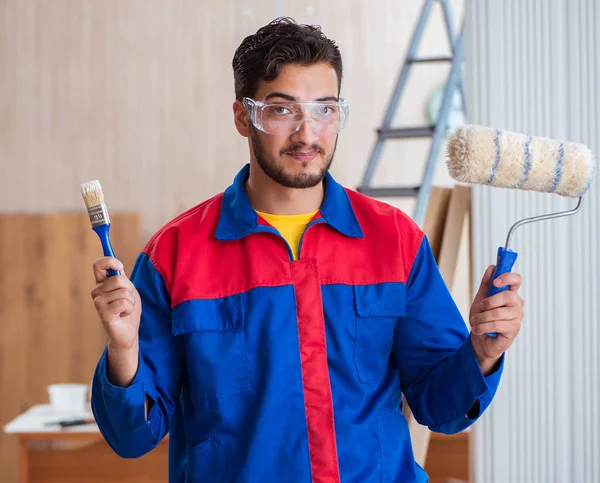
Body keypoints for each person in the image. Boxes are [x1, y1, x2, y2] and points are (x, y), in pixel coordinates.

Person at [89, 17, 524, 483]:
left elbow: (441, 408)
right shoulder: (175, 254)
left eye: (325, 109)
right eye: (282, 110)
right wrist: (124, 348)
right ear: (243, 117)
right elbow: (133, 437)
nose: (307, 133)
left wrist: (481, 352)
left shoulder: (394, 240)